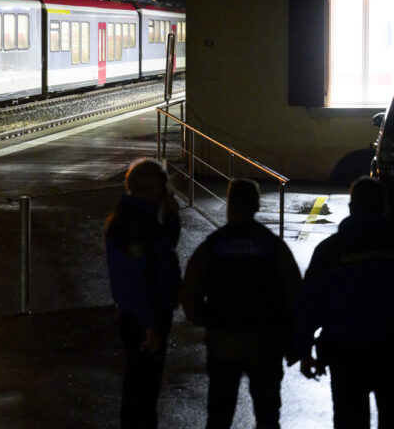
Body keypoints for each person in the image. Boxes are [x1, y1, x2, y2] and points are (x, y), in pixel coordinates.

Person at [180, 178, 301, 429]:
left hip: (224, 341)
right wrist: (293, 341)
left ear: (229, 205)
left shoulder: (214, 245)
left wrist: (204, 319)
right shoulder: (273, 246)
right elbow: (295, 294)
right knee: (267, 416)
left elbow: (190, 290)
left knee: (220, 415)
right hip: (266, 342)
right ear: (257, 206)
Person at [294, 176, 394, 429]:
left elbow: (310, 304)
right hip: (390, 353)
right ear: (384, 207)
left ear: (351, 208)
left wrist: (304, 352)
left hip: (345, 354)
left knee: (350, 420)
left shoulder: (330, 250)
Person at [104, 158, 181, 429]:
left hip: (144, 315)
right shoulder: (135, 225)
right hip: (144, 319)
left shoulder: (140, 218)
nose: (166, 193)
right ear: (150, 188)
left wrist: (171, 217)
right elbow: (137, 279)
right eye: (163, 187)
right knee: (142, 393)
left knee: (143, 387)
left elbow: (163, 247)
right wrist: (149, 324)